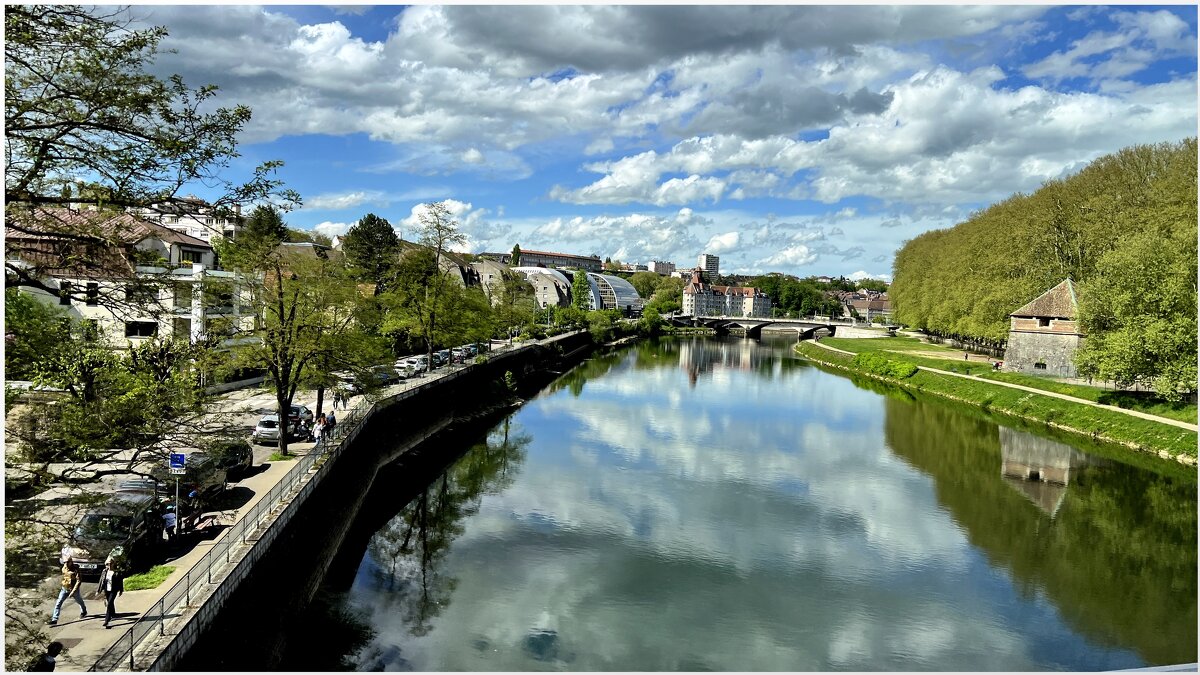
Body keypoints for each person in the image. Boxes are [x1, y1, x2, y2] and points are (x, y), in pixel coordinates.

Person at [49, 559, 86, 626]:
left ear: (71, 562)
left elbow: (79, 581)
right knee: (58, 603)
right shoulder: (64, 568)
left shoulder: (75, 569)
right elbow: (64, 576)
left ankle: (84, 611)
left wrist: (73, 592)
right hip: (65, 588)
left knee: (79, 601)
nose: (66, 564)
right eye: (65, 562)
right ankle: (54, 619)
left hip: (73, 589)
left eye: (67, 562)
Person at [95, 559, 124, 629]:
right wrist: (98, 590)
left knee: (109, 603)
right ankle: (113, 613)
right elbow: (101, 580)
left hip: (113, 590)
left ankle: (107, 620)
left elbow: (120, 581)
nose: (109, 565)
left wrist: (121, 590)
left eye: (111, 564)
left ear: (113, 564)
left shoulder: (117, 572)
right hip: (107, 590)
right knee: (110, 602)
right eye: (108, 564)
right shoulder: (105, 571)